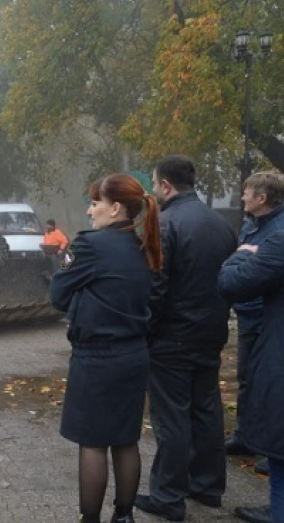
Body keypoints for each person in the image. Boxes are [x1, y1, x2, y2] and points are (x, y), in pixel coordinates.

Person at [50, 174, 162, 523]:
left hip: (97, 357)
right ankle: (124, 516)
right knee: (125, 440)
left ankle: (90, 519)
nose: (89, 211)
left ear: (115, 208)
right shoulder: (144, 245)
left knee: (94, 442)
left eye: (95, 203)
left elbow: (58, 295)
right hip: (134, 355)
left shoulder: (90, 246)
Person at [135, 155, 237, 522]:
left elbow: (156, 287)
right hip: (210, 331)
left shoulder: (163, 224)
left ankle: (167, 496)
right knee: (206, 410)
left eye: (153, 182)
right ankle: (208, 487)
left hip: (172, 337)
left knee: (171, 416)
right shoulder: (221, 224)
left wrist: (144, 328)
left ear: (165, 185)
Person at [223, 172, 284, 523]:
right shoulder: (254, 226)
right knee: (250, 383)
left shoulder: (275, 236)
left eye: (246, 192)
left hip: (265, 322)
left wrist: (236, 260)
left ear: (262, 197)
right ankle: (253, 438)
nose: (242, 197)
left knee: (268, 392)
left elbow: (233, 279)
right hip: (255, 320)